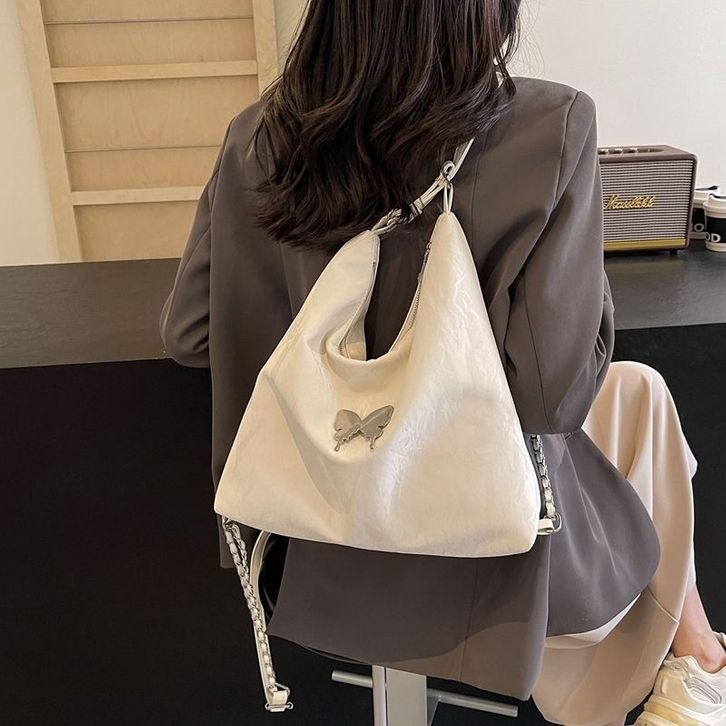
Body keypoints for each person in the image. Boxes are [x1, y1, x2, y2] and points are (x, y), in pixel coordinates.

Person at [158, 1, 726, 724]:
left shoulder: (257, 137)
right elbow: (551, 396)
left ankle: (693, 662)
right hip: (478, 550)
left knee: (639, 394)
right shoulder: (549, 124)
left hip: (305, 544)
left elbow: (190, 333)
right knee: (639, 401)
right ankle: (691, 667)